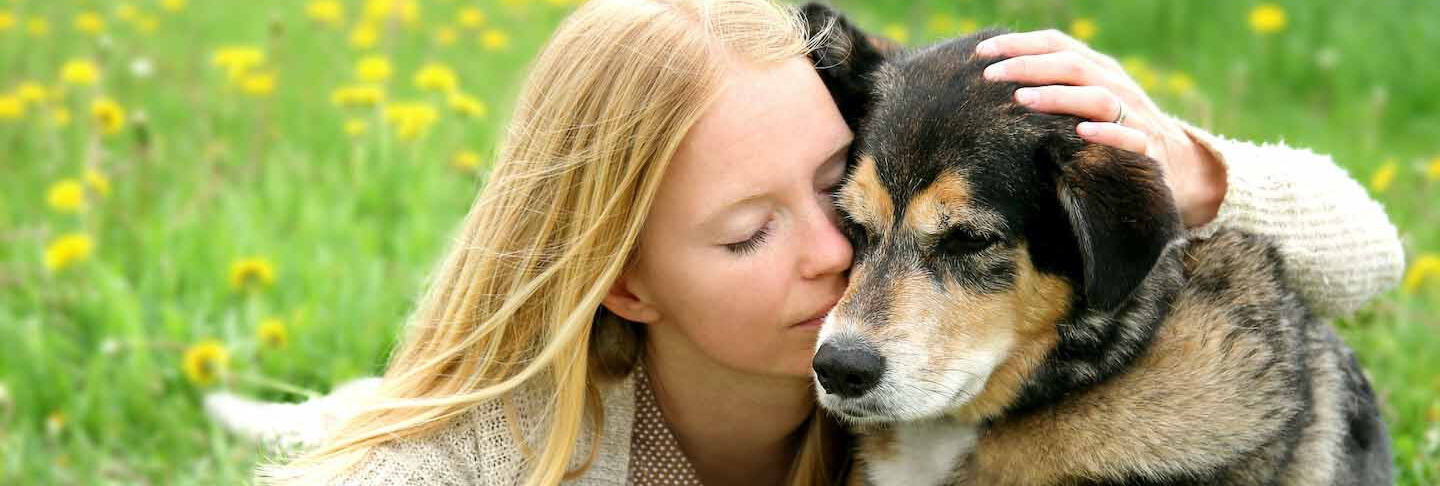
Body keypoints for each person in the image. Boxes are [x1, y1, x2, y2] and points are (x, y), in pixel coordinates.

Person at [252, 0, 1403, 484]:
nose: (836, 261)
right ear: (629, 286)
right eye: (751, 232)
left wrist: (1192, 169)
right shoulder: (519, 445)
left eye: (833, 196)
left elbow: (1367, 258)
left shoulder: (909, 365)